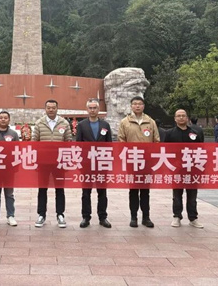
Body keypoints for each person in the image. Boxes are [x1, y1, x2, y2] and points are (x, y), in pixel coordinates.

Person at [117, 96, 159, 228]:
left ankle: (146, 217)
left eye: (140, 104)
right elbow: (121, 140)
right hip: (132, 161)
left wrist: (153, 157)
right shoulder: (125, 122)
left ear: (143, 106)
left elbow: (156, 141)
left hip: (147, 162)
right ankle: (133, 217)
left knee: (145, 191)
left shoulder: (150, 122)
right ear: (131, 106)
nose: (137, 106)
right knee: (133, 190)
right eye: (135, 104)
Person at [32, 99, 73, 228]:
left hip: (59, 162)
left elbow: (68, 142)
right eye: (48, 107)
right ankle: (41, 215)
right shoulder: (39, 123)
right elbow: (34, 142)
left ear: (57, 109)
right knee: (42, 189)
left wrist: (67, 161)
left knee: (60, 189)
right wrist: (35, 160)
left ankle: (60, 214)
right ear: (45, 109)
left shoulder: (64, 123)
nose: (51, 110)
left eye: (53, 108)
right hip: (43, 162)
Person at [165, 109, 205, 229]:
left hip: (192, 169)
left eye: (183, 116)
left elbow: (201, 150)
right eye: (179, 116)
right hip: (177, 169)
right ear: (175, 118)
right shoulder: (169, 133)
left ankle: (193, 218)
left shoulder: (195, 133)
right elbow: (165, 151)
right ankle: (177, 216)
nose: (181, 118)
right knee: (177, 194)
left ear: (187, 118)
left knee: (192, 195)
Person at [76, 99, 112, 228]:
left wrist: (109, 162)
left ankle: (103, 217)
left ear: (98, 109)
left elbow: (109, 144)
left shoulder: (105, 125)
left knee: (102, 192)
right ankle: (86, 217)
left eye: (95, 108)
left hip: (102, 163)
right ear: (87, 109)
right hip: (87, 163)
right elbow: (78, 144)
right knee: (86, 192)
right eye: (90, 108)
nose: (92, 110)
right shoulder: (81, 125)